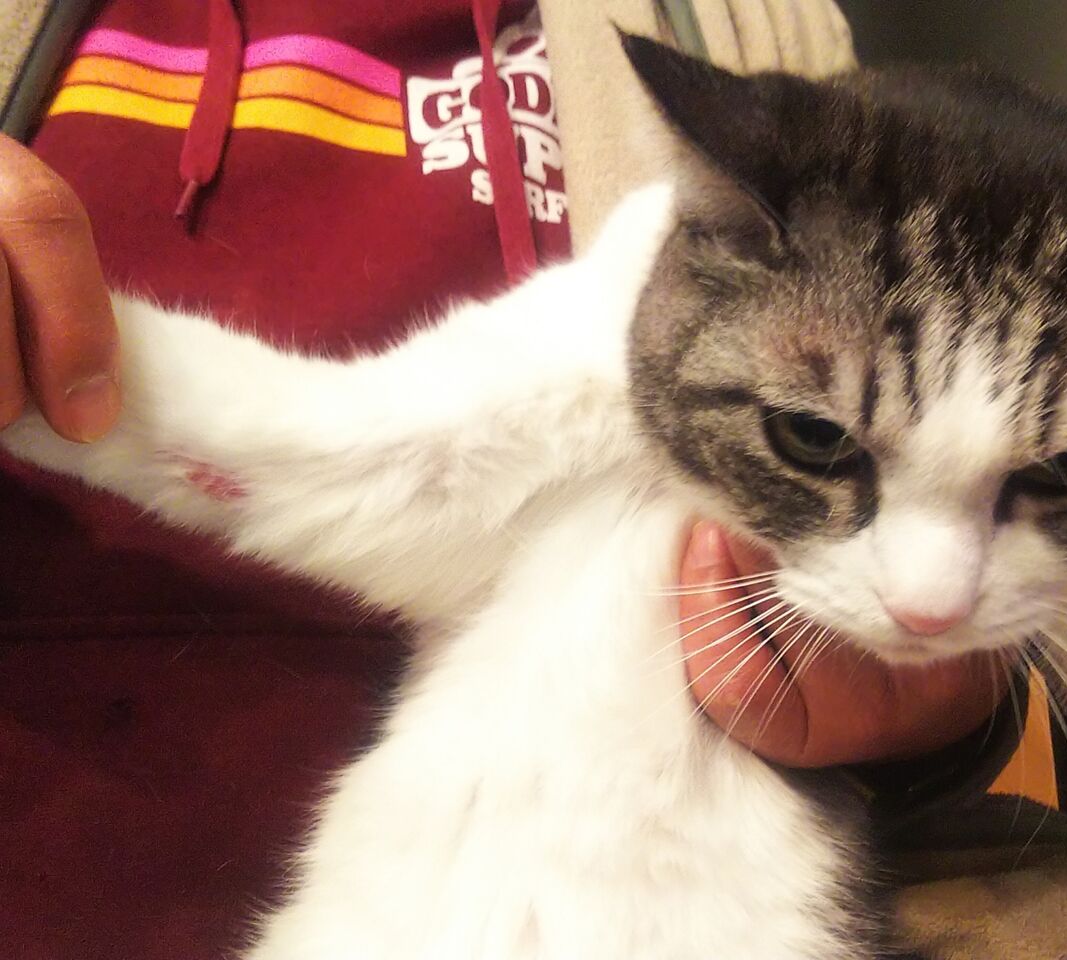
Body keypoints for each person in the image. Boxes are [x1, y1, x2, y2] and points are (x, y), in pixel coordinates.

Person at [0, 2, 1015, 957]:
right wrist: (52, 362)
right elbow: (349, 469)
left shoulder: (746, 28)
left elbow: (976, 624)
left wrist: (943, 691)